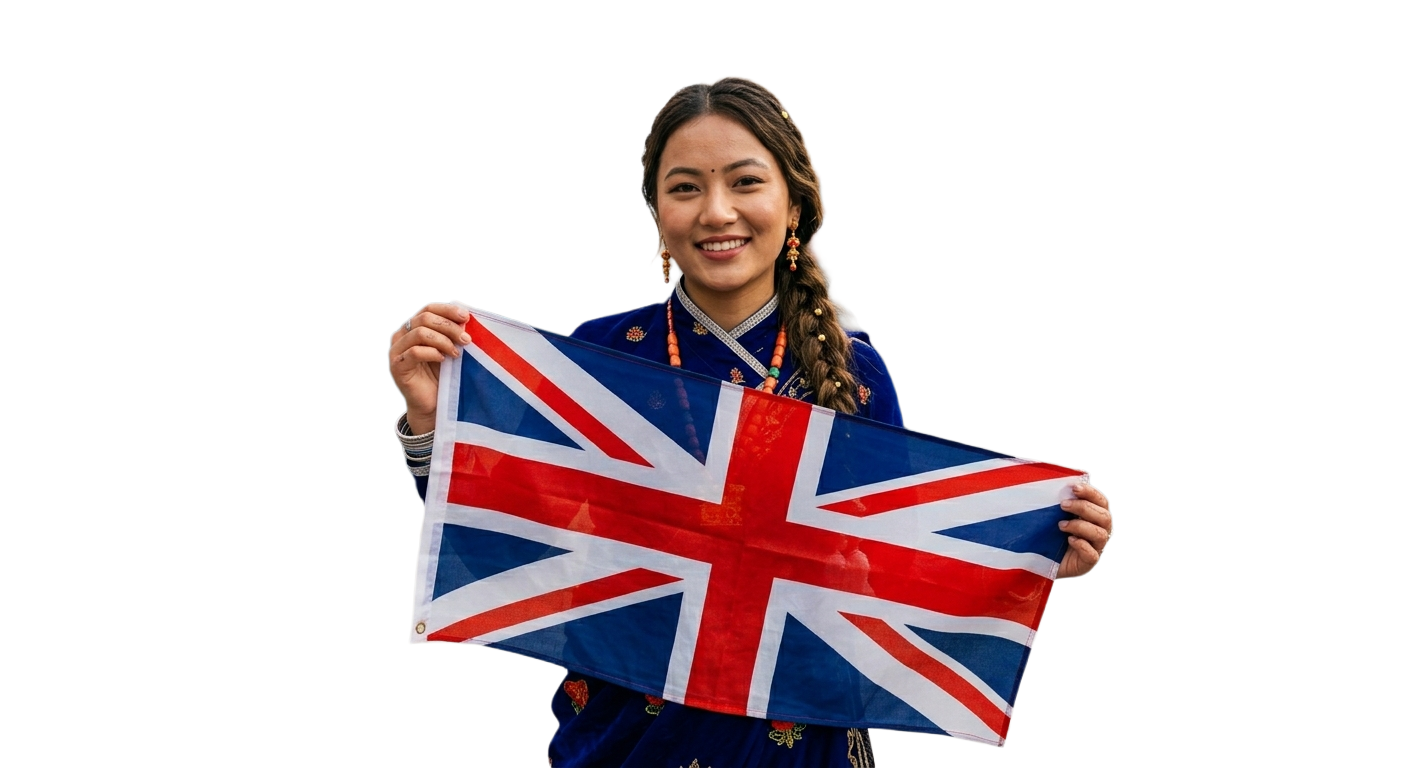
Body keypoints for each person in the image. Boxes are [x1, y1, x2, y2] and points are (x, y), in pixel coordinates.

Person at [390, 76, 1114, 767]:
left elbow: (898, 572)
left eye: (744, 181)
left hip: (799, 736)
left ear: (794, 205)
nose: (716, 211)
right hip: (619, 738)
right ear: (655, 215)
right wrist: (429, 419)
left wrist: (1031, 557)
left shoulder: (857, 375)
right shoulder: (599, 361)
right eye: (685, 187)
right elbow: (508, 533)